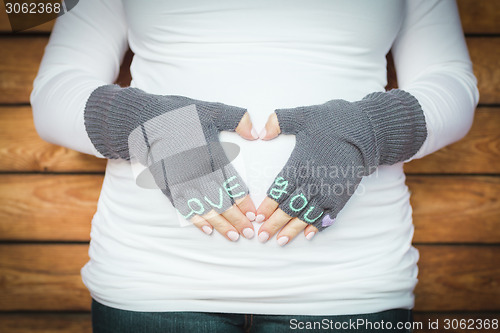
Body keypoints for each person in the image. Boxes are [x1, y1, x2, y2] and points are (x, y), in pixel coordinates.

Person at [31, 0, 478, 332]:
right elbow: (54, 94)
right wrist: (154, 127)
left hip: (350, 287)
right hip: (154, 283)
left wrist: (366, 129)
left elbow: (451, 85)